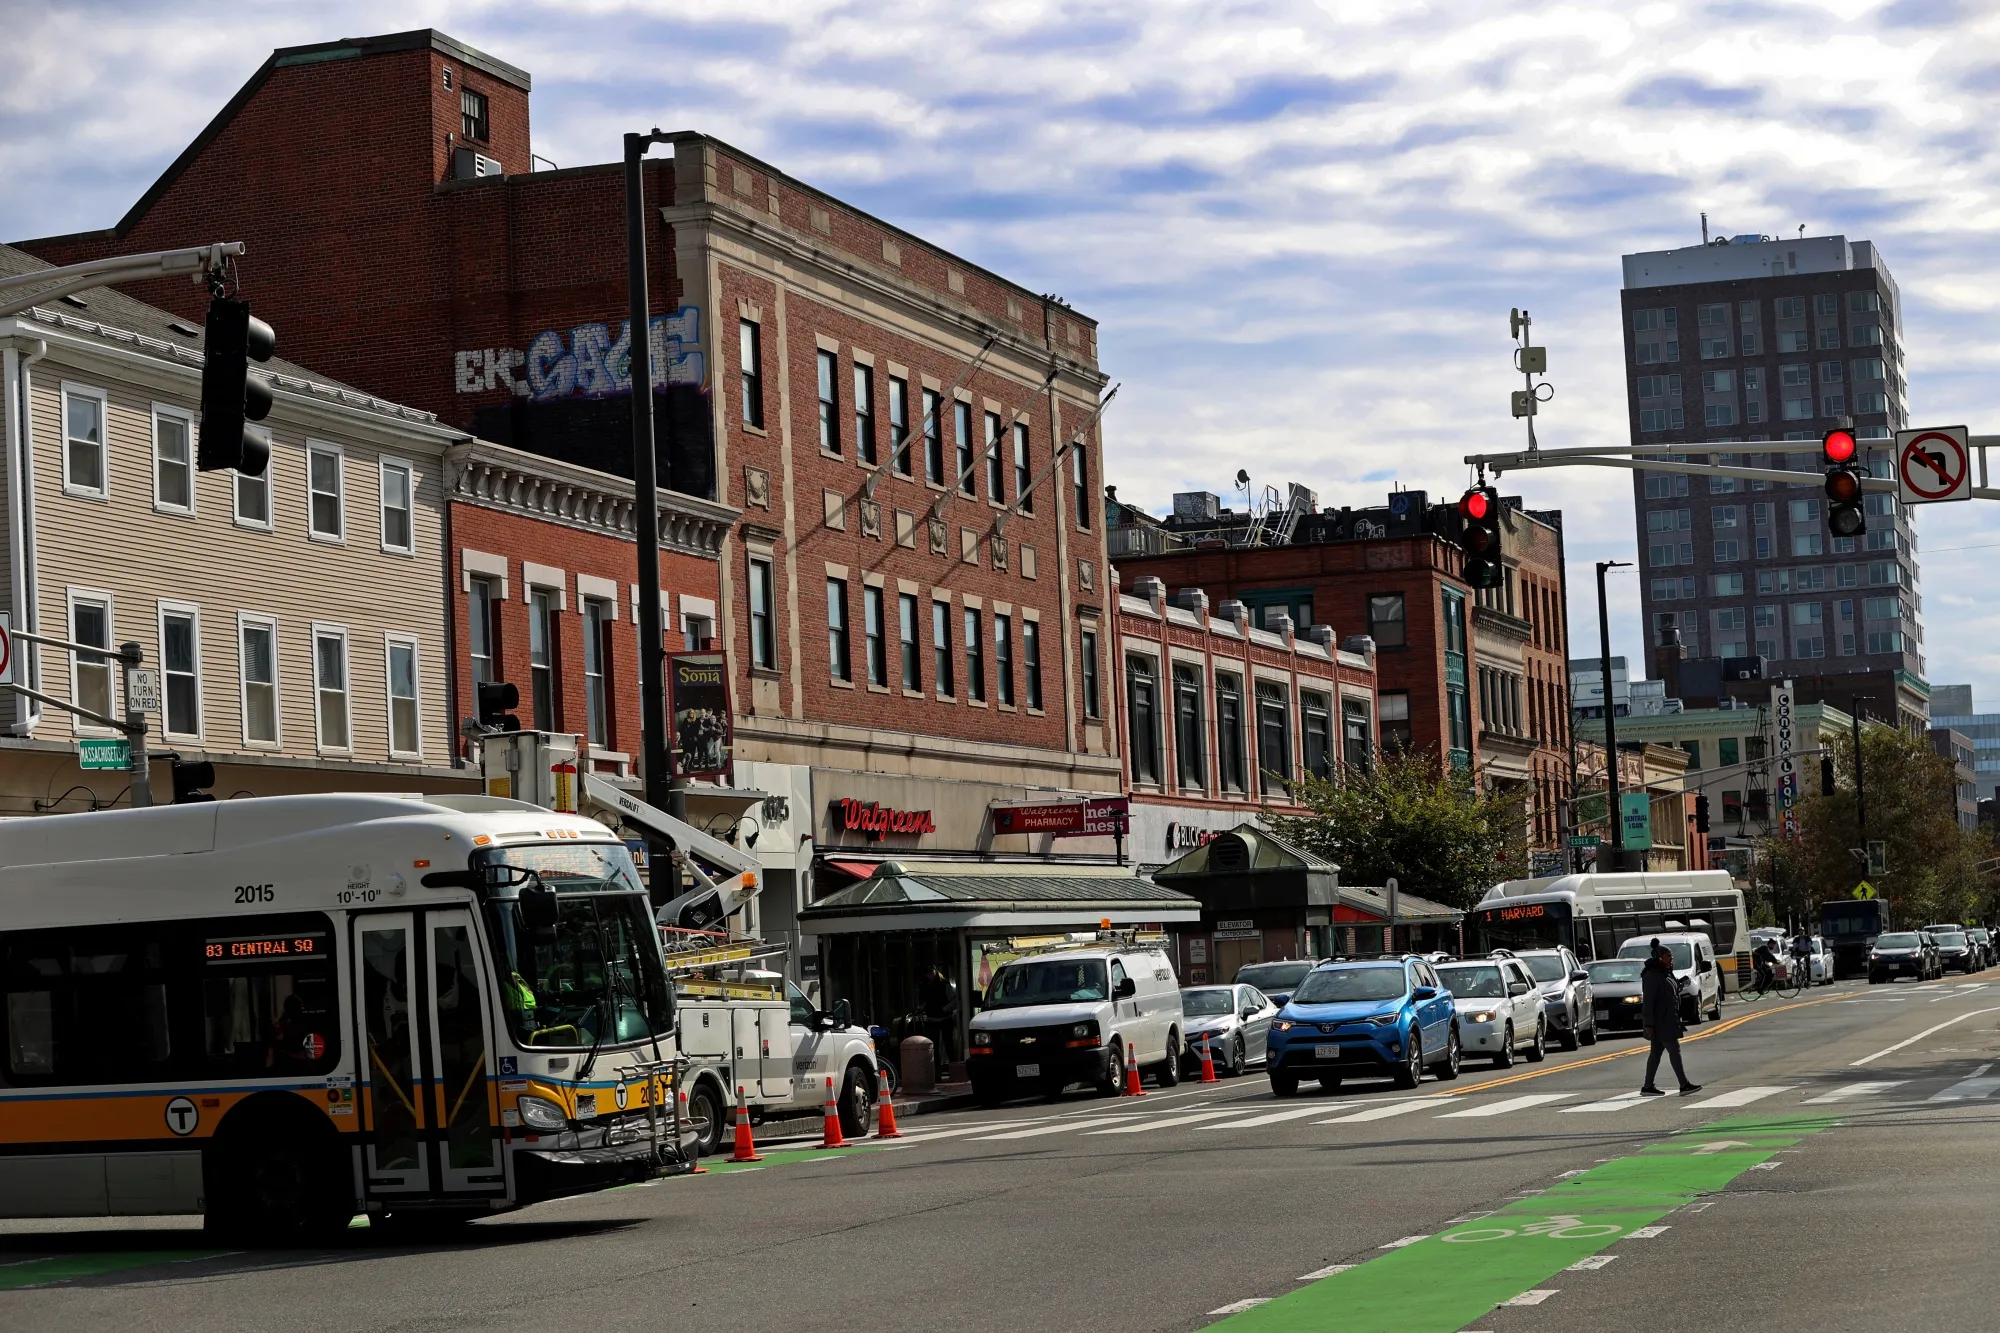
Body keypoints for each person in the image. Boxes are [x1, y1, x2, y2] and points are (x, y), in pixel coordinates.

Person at [1641, 939, 1701, 1097]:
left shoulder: (1665, 972)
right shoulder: (1652, 975)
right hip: (1661, 1021)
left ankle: (1647, 1086)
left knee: (1656, 1053)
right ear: (1660, 957)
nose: (1671, 959)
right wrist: (1648, 1024)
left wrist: (1680, 984)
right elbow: (1648, 1001)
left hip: (1668, 1018)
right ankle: (1684, 1084)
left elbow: (1668, 991)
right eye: (1669, 956)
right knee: (1674, 1050)